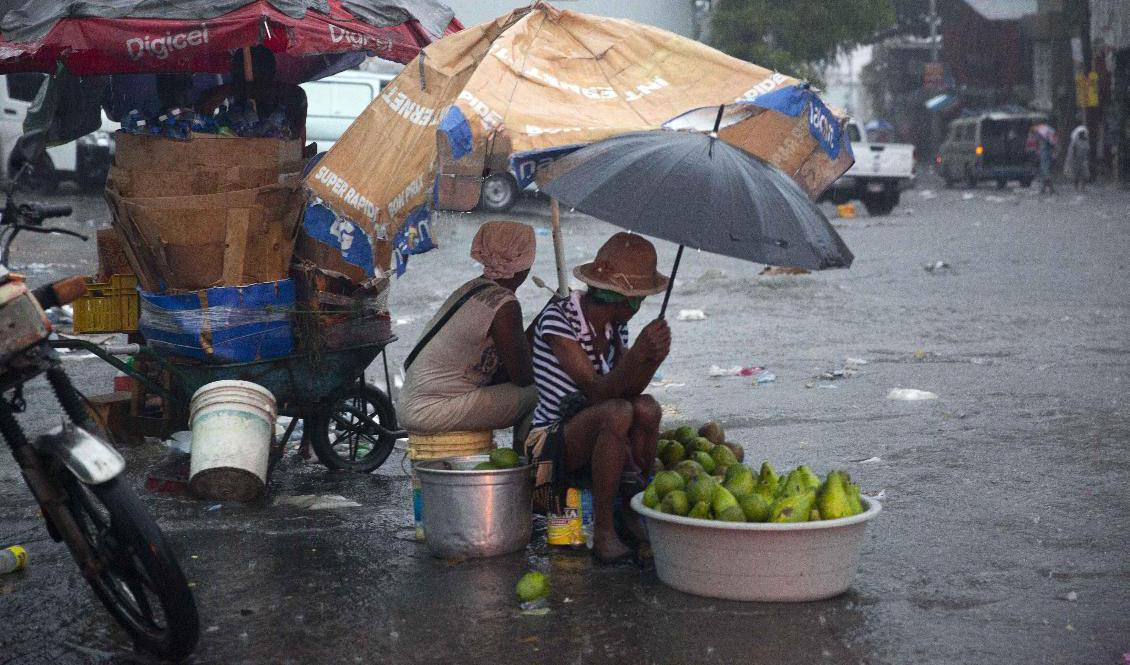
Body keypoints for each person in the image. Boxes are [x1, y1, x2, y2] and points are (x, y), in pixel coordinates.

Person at [525, 233, 671, 564]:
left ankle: (633, 508)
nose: (640, 306)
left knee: (647, 408)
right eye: (640, 299)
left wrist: (652, 358)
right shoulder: (559, 319)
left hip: (594, 427)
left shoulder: (615, 328)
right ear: (626, 300)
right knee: (616, 413)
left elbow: (629, 391)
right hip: (548, 442)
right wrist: (637, 357)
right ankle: (604, 531)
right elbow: (596, 391)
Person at [398, 221, 539, 435]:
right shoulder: (503, 303)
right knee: (546, 391)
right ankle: (527, 458)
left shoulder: (474, 287)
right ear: (524, 262)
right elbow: (523, 376)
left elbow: (503, 370)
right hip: (430, 410)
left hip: (414, 404)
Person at [197, 45, 307, 141]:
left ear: (272, 75)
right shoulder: (230, 112)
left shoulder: (292, 99)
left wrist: (233, 89)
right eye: (238, 78)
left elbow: (296, 97)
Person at [1065, 125, 1091, 192]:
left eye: (1084, 133)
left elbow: (1088, 150)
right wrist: (1074, 159)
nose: (1083, 134)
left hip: (1083, 160)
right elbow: (1073, 151)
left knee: (1085, 174)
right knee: (1076, 175)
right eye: (1081, 133)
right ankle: (1076, 188)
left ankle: (1083, 188)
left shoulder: (1086, 141)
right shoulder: (1075, 141)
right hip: (1076, 160)